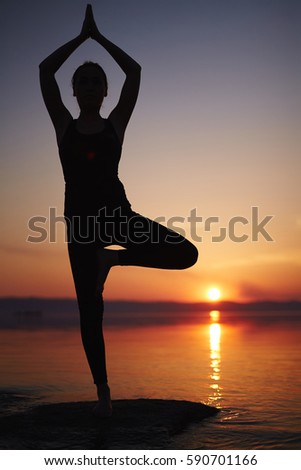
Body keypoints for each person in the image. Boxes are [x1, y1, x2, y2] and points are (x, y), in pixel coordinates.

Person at [39, 4, 198, 417]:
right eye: (83, 82)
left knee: (186, 253)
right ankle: (104, 393)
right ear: (74, 91)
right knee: (90, 310)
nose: (90, 86)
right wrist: (80, 38)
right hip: (81, 228)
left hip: (118, 218)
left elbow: (136, 72)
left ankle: (115, 259)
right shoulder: (64, 126)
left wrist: (99, 38)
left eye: (97, 82)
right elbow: (44, 71)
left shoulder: (116, 125)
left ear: (105, 91)